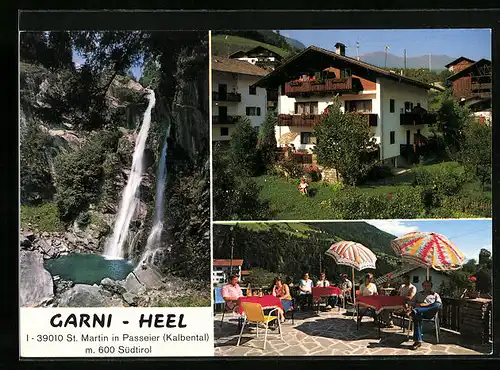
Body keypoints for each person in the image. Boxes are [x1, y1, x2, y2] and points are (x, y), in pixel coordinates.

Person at [408, 280, 442, 350]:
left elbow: (439, 305)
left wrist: (426, 305)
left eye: (428, 286)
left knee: (438, 304)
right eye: (425, 286)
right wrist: (417, 304)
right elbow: (410, 302)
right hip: (419, 314)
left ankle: (416, 310)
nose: (426, 287)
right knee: (417, 316)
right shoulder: (418, 294)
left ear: (431, 287)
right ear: (423, 286)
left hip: (429, 313)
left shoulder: (435, 295)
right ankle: (417, 341)